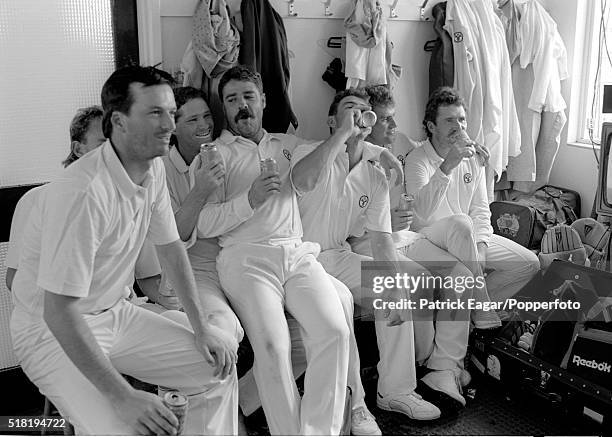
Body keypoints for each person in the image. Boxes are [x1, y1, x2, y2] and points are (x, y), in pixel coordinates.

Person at [9, 65, 238, 435]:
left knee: (215, 365)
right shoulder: (82, 193)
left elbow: (171, 248)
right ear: (119, 121)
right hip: (50, 330)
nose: (169, 124)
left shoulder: (154, 169)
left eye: (170, 113)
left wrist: (201, 328)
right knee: (125, 426)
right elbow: (58, 311)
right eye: (154, 113)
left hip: (115, 312)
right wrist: (122, 395)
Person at [192, 65, 354, 435]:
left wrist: (345, 133)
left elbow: (308, 178)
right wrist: (249, 199)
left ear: (264, 100)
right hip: (245, 258)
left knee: (335, 332)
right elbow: (204, 224)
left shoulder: (288, 145)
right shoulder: (216, 154)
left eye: (248, 96)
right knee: (273, 346)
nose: (241, 106)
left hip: (295, 254)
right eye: (232, 100)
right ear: (224, 108)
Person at [291, 87, 445, 420]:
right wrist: (346, 135)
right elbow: (301, 180)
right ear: (333, 121)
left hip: (338, 256)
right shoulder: (309, 152)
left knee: (396, 289)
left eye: (364, 110)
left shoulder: (375, 173)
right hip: (298, 261)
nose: (358, 115)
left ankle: (397, 391)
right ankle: (356, 406)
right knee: (340, 307)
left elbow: (381, 238)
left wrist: (391, 279)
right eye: (349, 109)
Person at [6, 106, 174, 311]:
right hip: (59, 315)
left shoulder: (135, 200)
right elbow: (14, 279)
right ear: (78, 150)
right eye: (104, 144)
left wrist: (172, 302)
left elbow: (147, 277)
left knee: (194, 334)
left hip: (121, 310)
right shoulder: (36, 201)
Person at [404, 86, 540, 306]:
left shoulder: (473, 157)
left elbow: (481, 209)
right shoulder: (417, 160)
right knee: (461, 221)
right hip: (430, 241)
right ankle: (479, 309)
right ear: (431, 126)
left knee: (529, 264)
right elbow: (421, 213)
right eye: (449, 120)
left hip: (467, 237)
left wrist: (481, 249)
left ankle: (473, 310)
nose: (458, 127)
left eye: (462, 120)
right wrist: (447, 166)